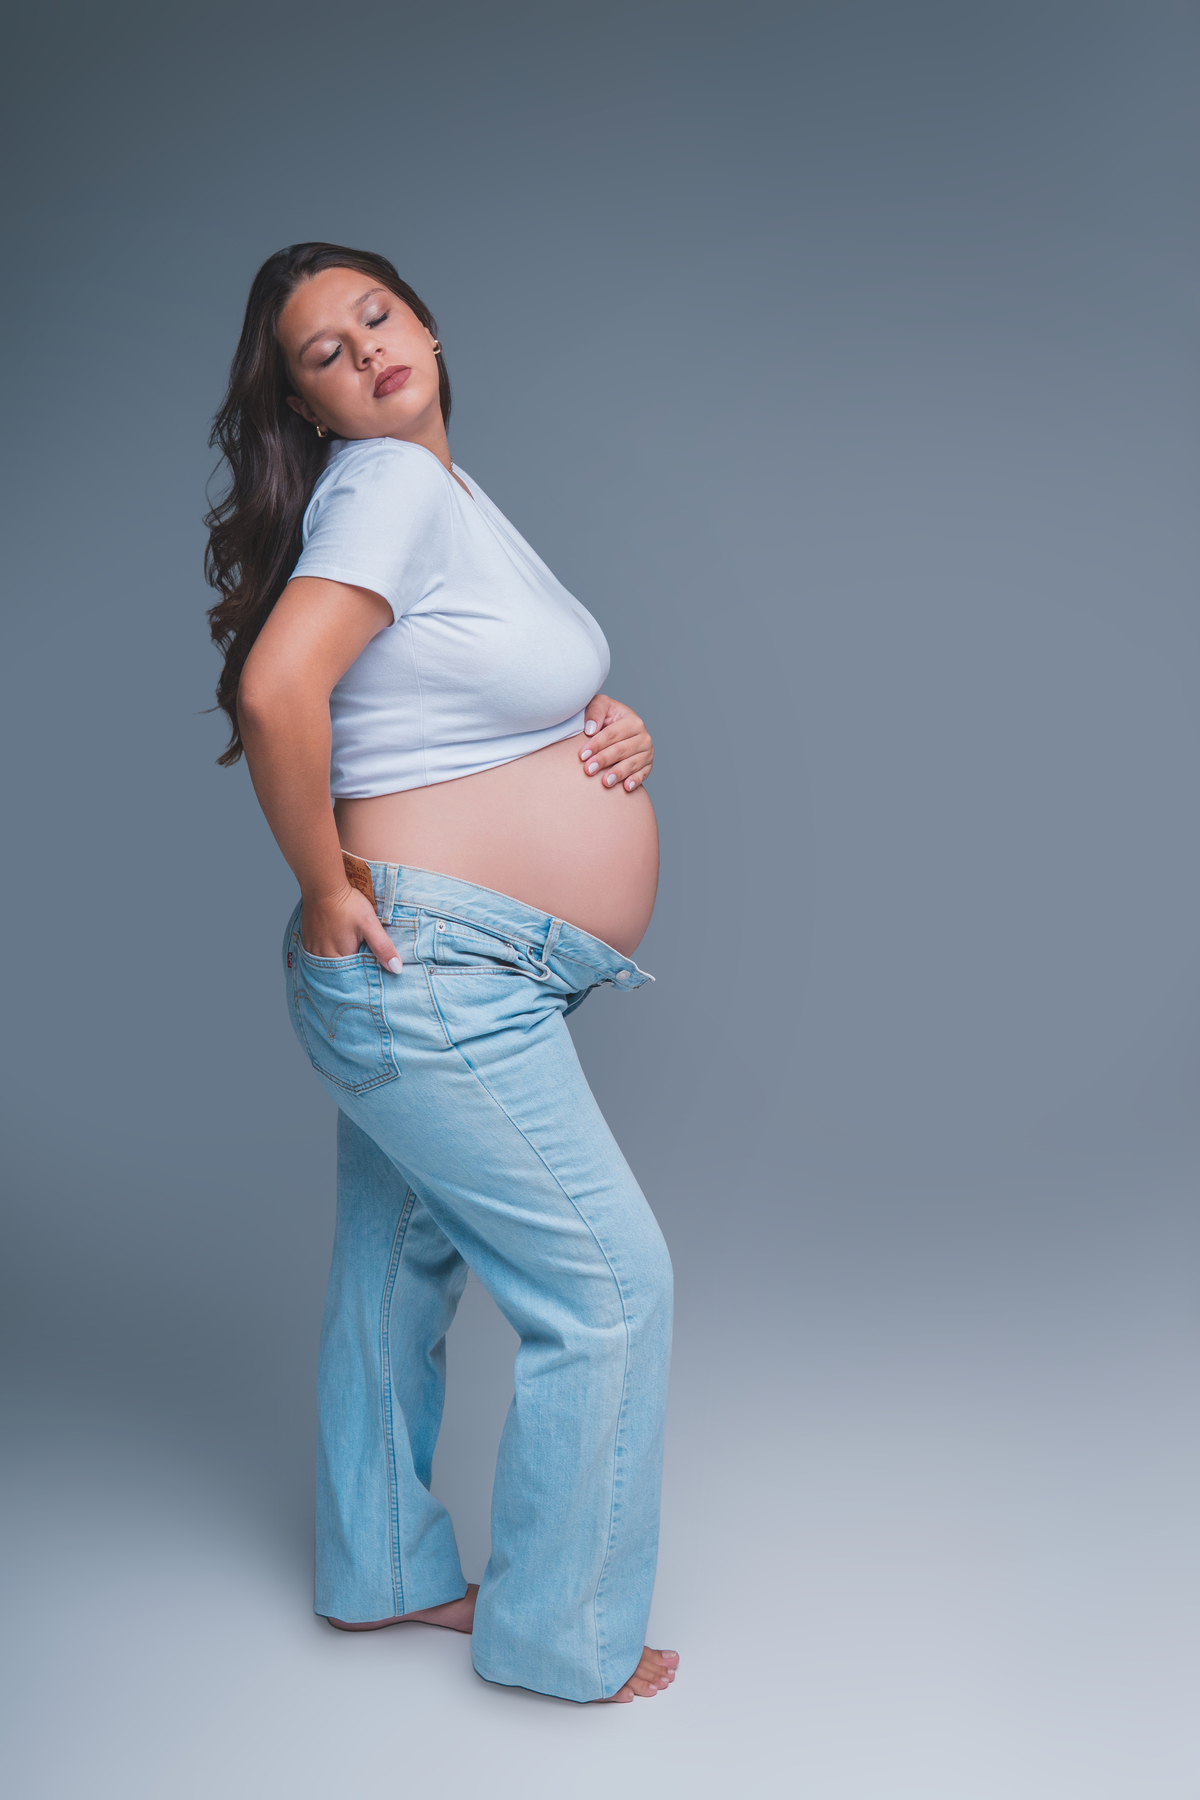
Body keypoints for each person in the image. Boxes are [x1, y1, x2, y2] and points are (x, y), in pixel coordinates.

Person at [204, 242, 678, 1704]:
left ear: (424, 322)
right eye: (323, 353)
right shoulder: (390, 485)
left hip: (446, 969)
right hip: (431, 969)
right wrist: (324, 888)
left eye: (376, 315)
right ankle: (561, 1642)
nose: (366, 351)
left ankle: (382, 1576)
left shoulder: (440, 493)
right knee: (609, 1291)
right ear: (305, 404)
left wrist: (606, 725)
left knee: (394, 1270)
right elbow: (278, 689)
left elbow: (460, 692)